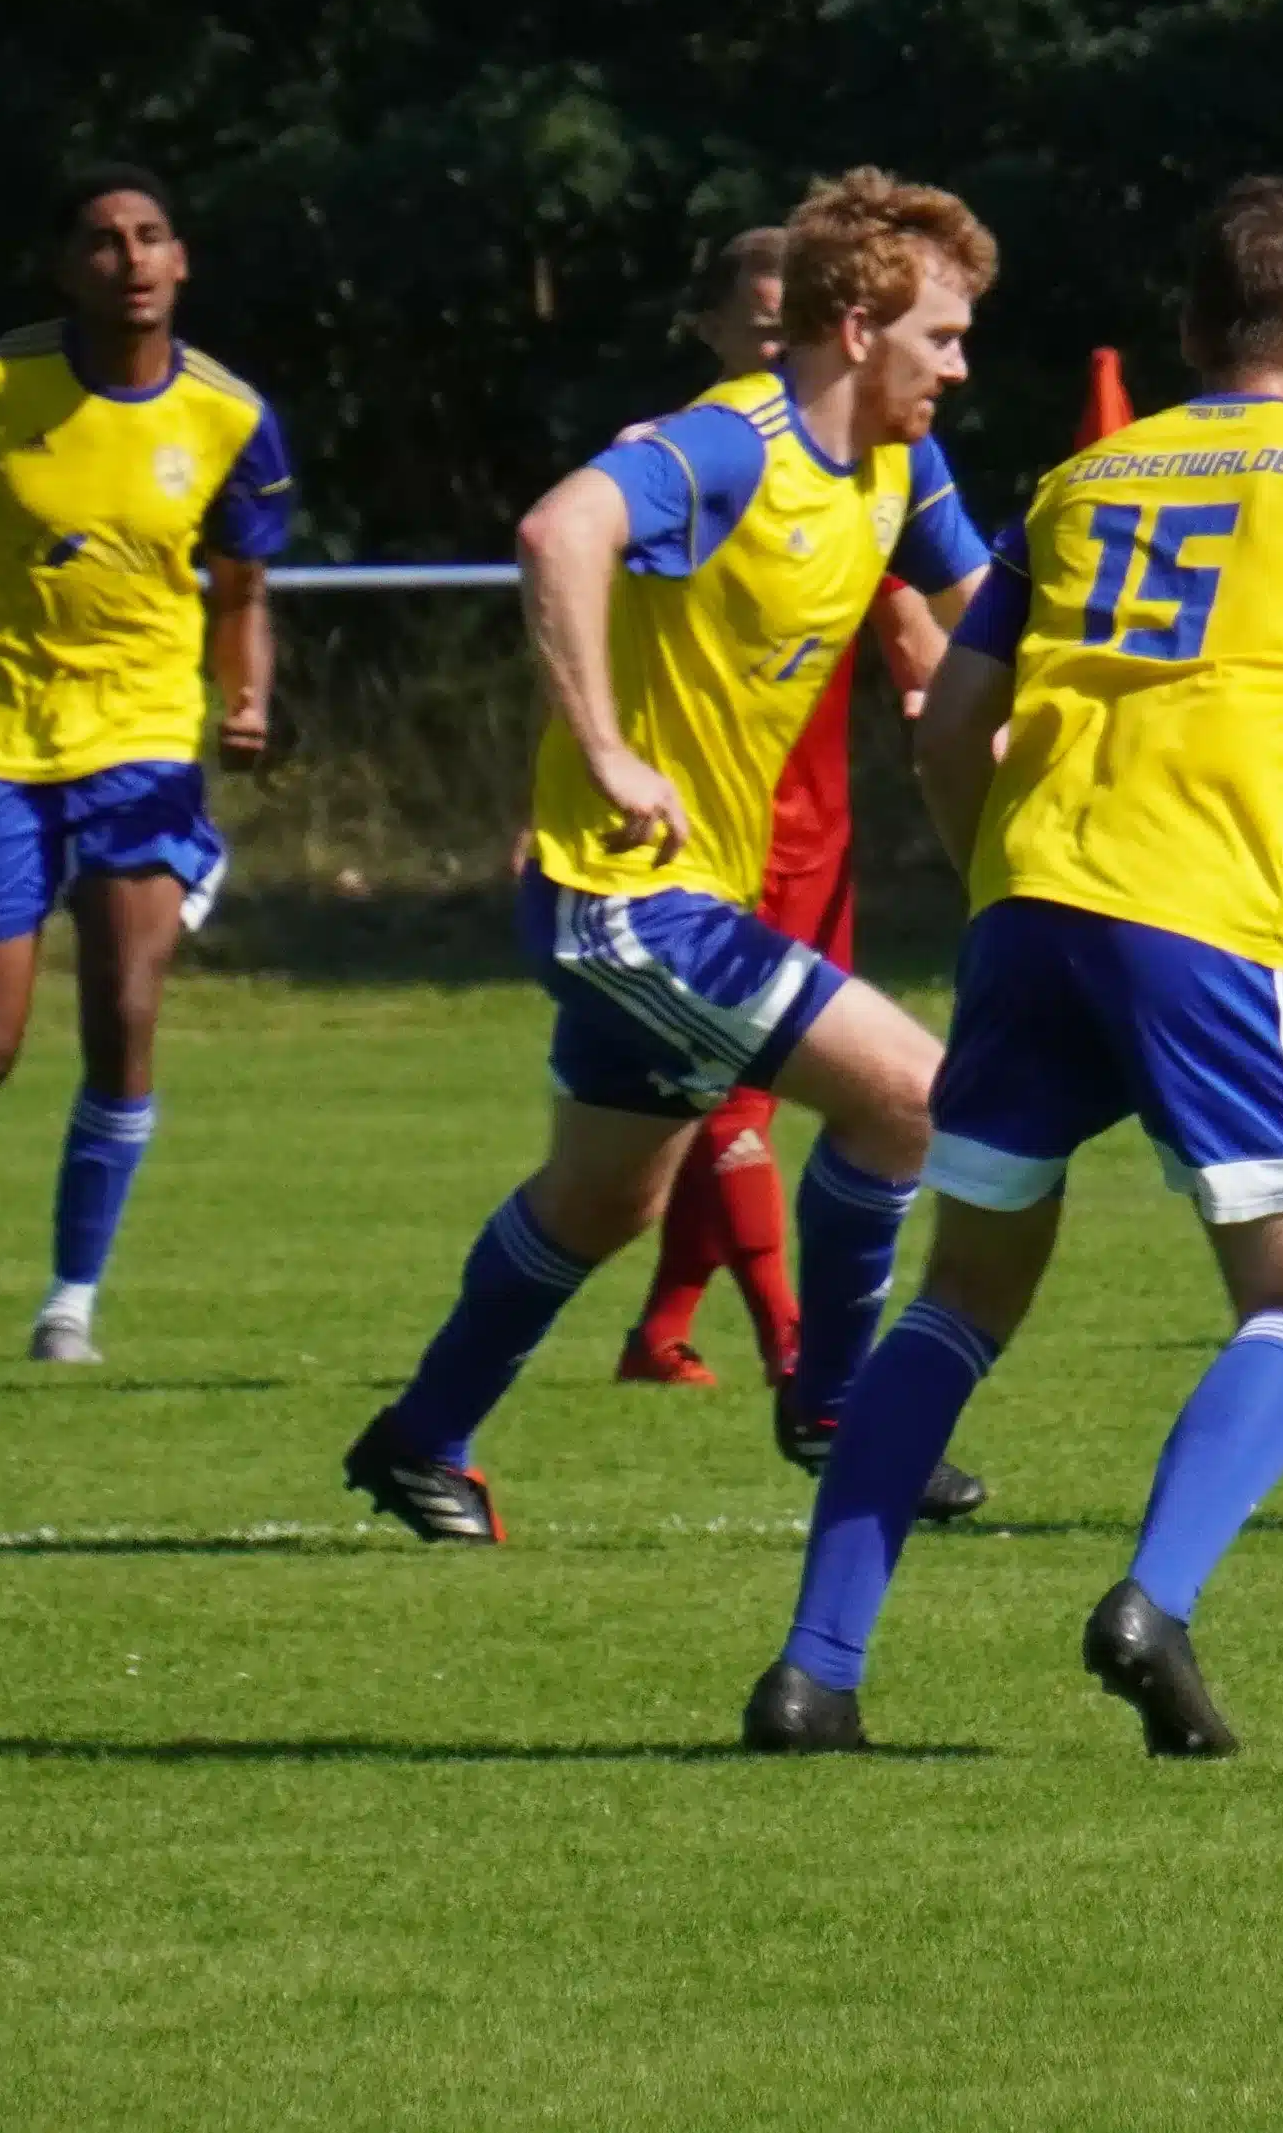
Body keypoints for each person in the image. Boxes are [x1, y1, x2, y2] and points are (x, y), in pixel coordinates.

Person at [742, 176, 1283, 1756]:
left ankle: (814, 1670)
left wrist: (987, 868)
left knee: (961, 1300)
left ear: (1195, 332)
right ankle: (1154, 1597)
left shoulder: (1077, 480)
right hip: (1204, 920)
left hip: (1029, 911)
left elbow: (942, 716)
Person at [344, 170, 997, 1543]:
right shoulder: (729, 445)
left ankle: (419, 1440)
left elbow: (988, 616)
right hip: (624, 899)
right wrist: (600, 743)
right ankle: (838, 1414)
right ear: (863, 324)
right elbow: (555, 527)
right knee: (911, 1097)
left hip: (695, 897)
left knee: (600, 1202)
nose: (960, 361)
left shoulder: (899, 463)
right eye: (941, 332)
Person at [0, 166, 292, 1365]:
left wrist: (246, 694)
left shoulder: (229, 416)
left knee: (126, 1011)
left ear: (183, 260)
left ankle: (71, 1300)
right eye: (103, 243)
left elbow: (242, 589)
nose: (132, 260)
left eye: (152, 236)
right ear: (67, 271)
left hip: (141, 739)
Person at [612, 227, 959, 1393]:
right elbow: (586, 589)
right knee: (733, 1104)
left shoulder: (866, 472)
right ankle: (800, 1356)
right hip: (699, 843)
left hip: (816, 829)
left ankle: (661, 1326)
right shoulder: (691, 462)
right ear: (708, 332)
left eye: (792, 319)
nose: (780, 340)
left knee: (658, 1145)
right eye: (758, 324)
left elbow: (928, 608)